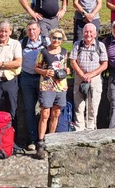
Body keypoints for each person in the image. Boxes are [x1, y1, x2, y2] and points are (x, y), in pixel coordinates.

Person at [34, 28, 70, 159]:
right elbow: (36, 67)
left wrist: (66, 70)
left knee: (56, 114)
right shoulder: (43, 51)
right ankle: (40, 142)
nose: (56, 40)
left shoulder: (64, 52)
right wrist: (44, 72)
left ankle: (51, 139)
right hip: (47, 86)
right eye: (54, 37)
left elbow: (64, 66)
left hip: (60, 86)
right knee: (45, 114)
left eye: (59, 38)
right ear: (50, 37)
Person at [70, 23, 108, 131]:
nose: (88, 34)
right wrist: (82, 75)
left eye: (91, 32)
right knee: (79, 107)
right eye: (86, 32)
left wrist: (91, 74)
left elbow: (105, 64)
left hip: (94, 79)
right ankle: (79, 130)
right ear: (82, 33)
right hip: (80, 78)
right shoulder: (77, 45)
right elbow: (72, 61)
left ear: (95, 34)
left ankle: (91, 130)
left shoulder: (100, 46)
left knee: (93, 107)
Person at [19, 21, 48, 150]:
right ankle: (32, 139)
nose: (32, 32)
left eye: (34, 29)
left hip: (43, 78)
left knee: (45, 108)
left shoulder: (46, 41)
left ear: (39, 30)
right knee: (29, 109)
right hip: (27, 78)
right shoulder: (22, 43)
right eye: (29, 30)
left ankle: (44, 137)